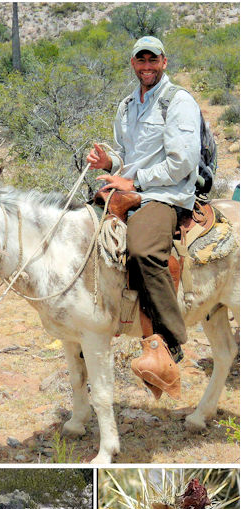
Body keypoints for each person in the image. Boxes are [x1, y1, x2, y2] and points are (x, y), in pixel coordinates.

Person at [87, 35, 201, 398]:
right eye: (141, 60)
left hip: (167, 194)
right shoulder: (126, 106)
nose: (147, 66)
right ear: (133, 63)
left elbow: (182, 162)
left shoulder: (178, 102)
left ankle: (170, 338)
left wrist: (133, 182)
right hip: (131, 187)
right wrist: (110, 163)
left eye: (153, 60)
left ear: (164, 62)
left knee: (142, 249)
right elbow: (127, 156)